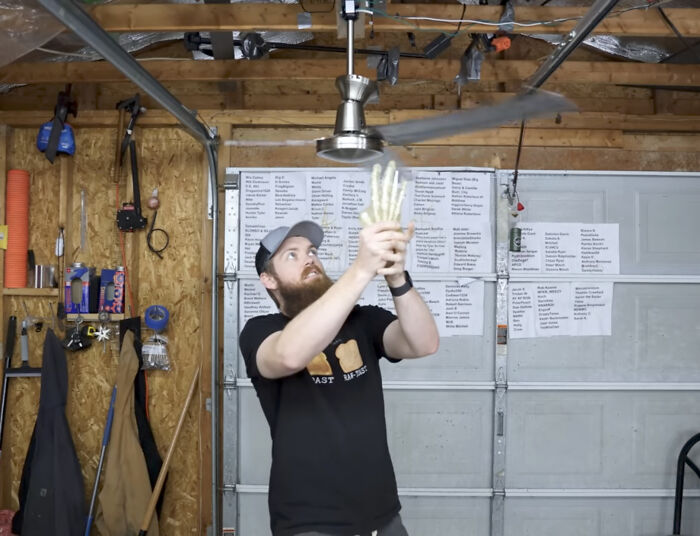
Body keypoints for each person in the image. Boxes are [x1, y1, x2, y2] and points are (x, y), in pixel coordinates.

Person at [239, 218, 440, 536]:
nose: (308, 258)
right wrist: (360, 270)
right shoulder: (260, 331)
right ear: (268, 279)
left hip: (382, 515)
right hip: (309, 522)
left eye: (312, 250)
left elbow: (424, 343)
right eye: (291, 254)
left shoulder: (362, 320)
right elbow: (289, 355)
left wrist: (397, 276)